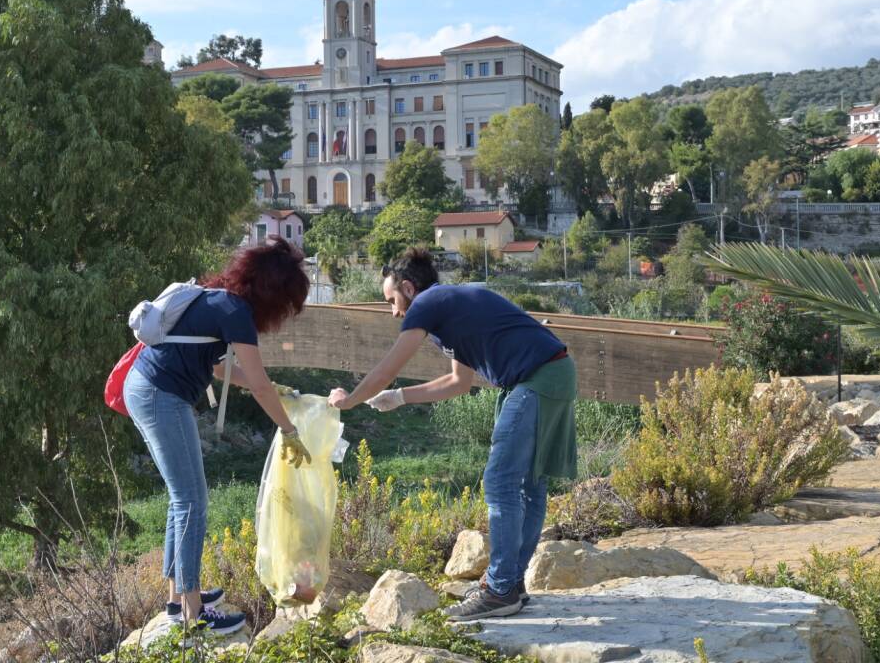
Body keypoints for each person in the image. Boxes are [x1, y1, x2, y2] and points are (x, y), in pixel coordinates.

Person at [328, 247, 577, 621]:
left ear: (409, 288)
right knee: (528, 484)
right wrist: (400, 398)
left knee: (500, 482)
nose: (393, 312)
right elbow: (459, 382)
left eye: (391, 300)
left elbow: (387, 367)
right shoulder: (449, 307)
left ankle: (500, 589)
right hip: (552, 373)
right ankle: (510, 583)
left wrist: (349, 400)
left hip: (536, 379)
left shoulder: (428, 303)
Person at [123, 237, 313, 634]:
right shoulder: (236, 311)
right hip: (161, 396)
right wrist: (289, 429)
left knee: (183, 499)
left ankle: (179, 599)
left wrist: (268, 385)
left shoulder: (216, 298)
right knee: (193, 501)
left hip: (146, 388)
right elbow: (258, 385)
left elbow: (221, 369)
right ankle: (194, 615)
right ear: (273, 294)